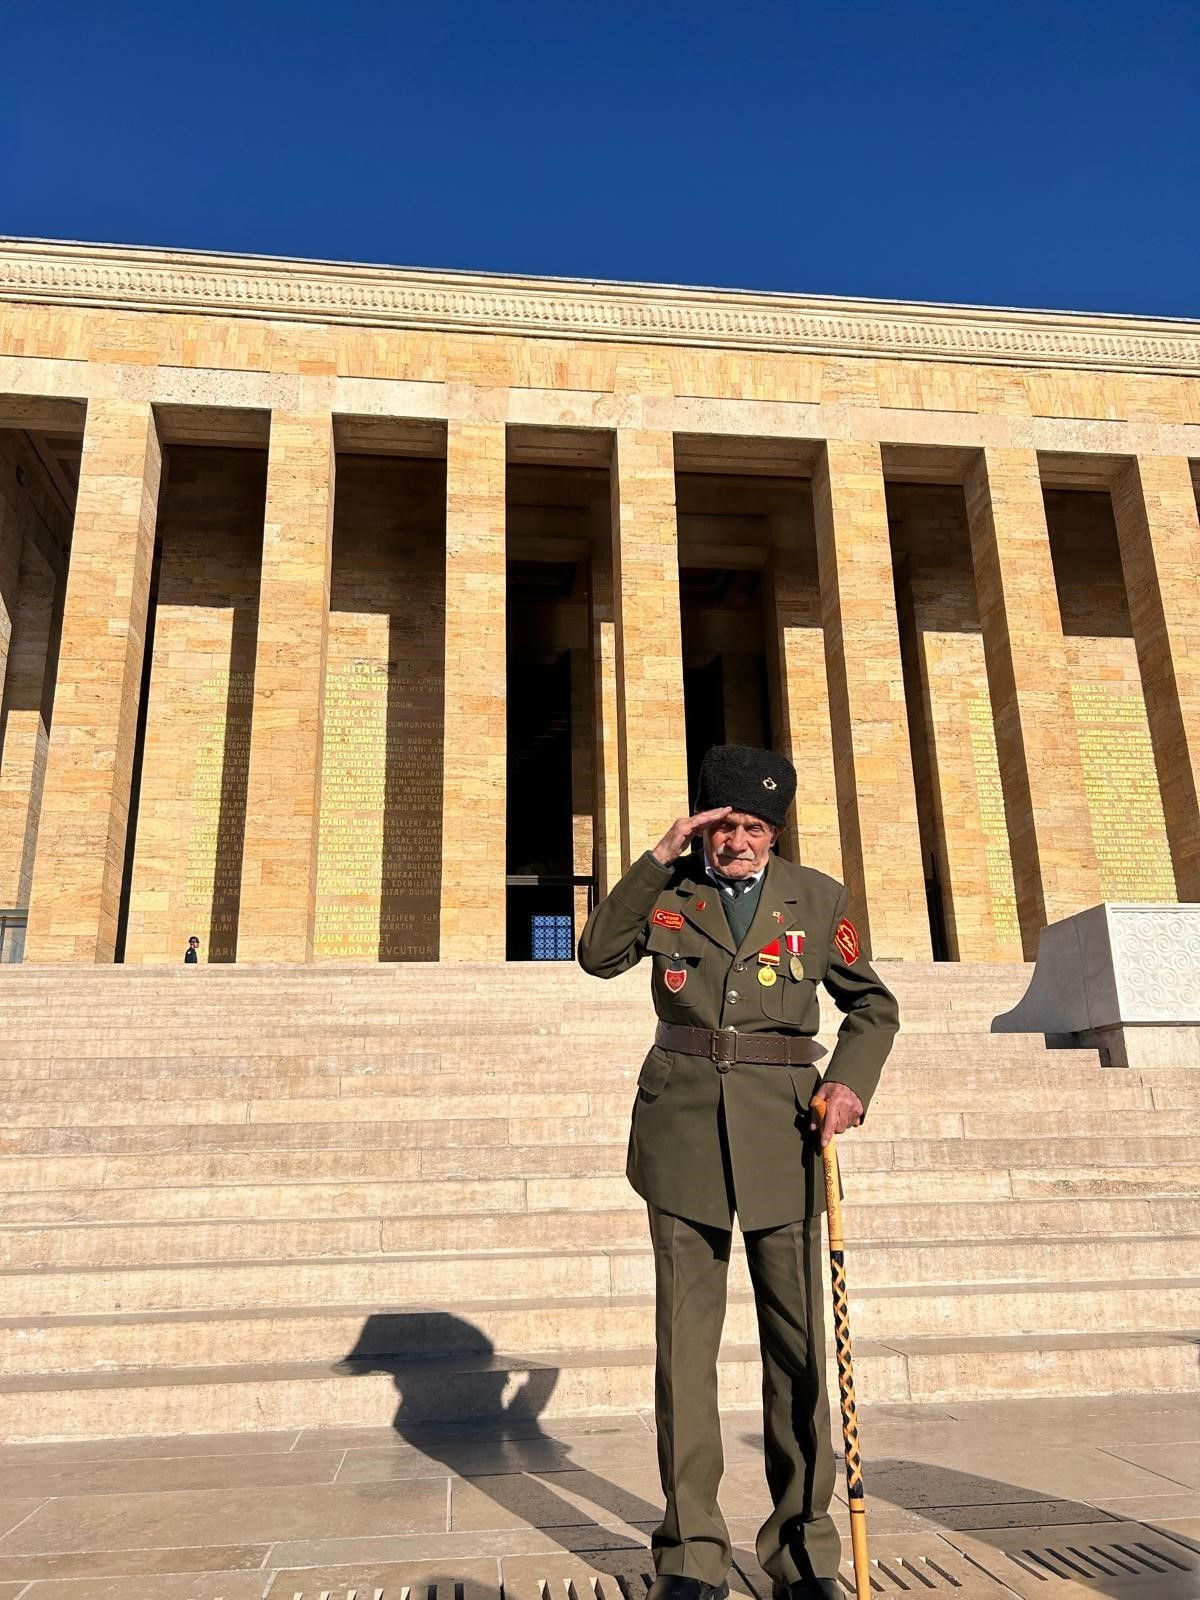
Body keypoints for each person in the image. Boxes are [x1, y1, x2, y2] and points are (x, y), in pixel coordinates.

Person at [578, 743, 899, 1600]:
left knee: (797, 1352)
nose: (738, 843)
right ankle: (689, 1556)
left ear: (775, 832)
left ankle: (803, 1555)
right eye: (724, 827)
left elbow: (871, 1006)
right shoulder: (669, 894)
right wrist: (656, 857)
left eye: (754, 827)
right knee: (685, 1356)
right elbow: (597, 954)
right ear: (704, 828)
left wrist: (849, 1084)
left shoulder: (816, 897)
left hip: (784, 1137)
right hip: (681, 1134)